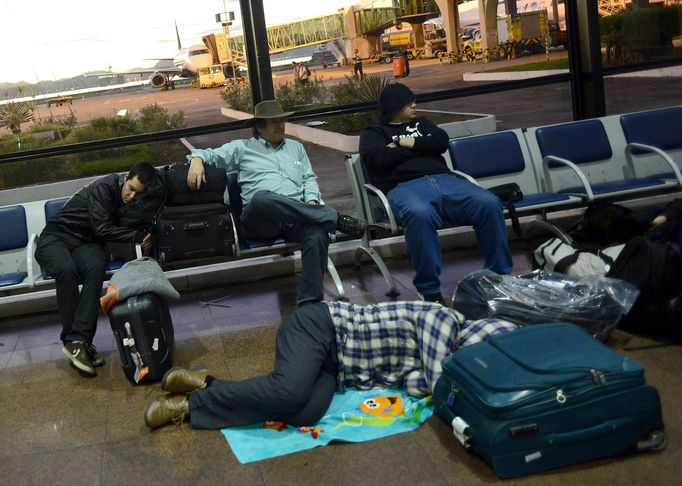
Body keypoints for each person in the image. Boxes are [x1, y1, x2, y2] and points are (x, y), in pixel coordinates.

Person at [143, 300, 517, 429]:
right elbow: (435, 386)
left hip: (336, 370)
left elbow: (417, 385)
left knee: (303, 412)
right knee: (288, 389)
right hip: (320, 326)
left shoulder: (441, 354)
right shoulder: (444, 321)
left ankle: (206, 384)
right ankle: (188, 407)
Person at [186, 100, 366, 307]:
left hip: (295, 218)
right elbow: (208, 154)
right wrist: (197, 160)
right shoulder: (242, 148)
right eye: (275, 122)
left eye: (283, 120)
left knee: (316, 235)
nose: (281, 125)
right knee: (263, 197)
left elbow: (309, 179)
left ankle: (310, 303)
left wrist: (313, 200)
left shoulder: (296, 148)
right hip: (261, 221)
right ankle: (333, 218)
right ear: (260, 127)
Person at [359, 83, 513, 306]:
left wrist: (404, 143)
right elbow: (377, 160)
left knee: (489, 203)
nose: (414, 104)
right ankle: (429, 289)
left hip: (446, 180)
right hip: (404, 187)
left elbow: (441, 142)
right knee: (419, 214)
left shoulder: (422, 123)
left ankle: (500, 275)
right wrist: (422, 147)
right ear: (394, 106)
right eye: (408, 101)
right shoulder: (374, 133)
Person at [35, 162, 157, 376]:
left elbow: (117, 227)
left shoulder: (128, 201)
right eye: (130, 189)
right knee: (66, 270)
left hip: (85, 242)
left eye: (137, 194)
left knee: (96, 266)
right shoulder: (105, 186)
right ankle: (73, 341)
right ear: (126, 177)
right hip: (56, 237)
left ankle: (80, 341)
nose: (131, 196)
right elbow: (102, 228)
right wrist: (137, 237)